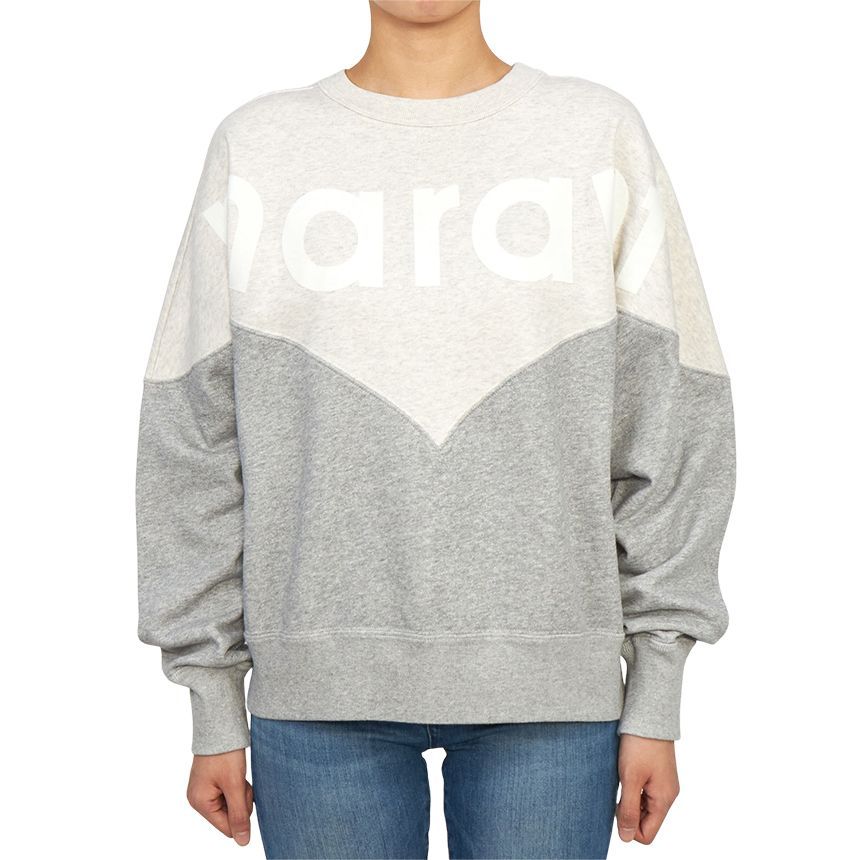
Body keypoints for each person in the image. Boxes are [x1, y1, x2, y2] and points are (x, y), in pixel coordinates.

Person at [135, 1, 736, 857]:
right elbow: (192, 434)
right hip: (316, 693)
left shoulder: (594, 134)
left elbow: (674, 416)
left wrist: (658, 690)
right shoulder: (259, 145)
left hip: (553, 691)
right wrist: (211, 699)